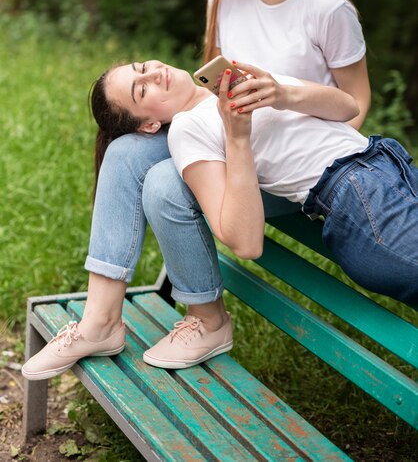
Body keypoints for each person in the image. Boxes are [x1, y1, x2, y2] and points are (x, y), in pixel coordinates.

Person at [21, 0, 373, 379]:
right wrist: (219, 134)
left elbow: (356, 102)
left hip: (291, 159)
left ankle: (207, 320)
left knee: (166, 182)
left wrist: (304, 154)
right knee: (123, 150)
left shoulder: (328, 10)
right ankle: (100, 320)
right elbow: (214, 79)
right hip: (225, 134)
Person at [22, 58, 418, 379]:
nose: (154, 73)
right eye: (143, 90)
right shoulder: (190, 131)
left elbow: (348, 108)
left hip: (384, 161)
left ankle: (99, 326)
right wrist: (238, 136)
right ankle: (100, 323)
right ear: (149, 125)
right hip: (354, 193)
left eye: (142, 67)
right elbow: (246, 243)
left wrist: (282, 92)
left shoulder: (243, 78)